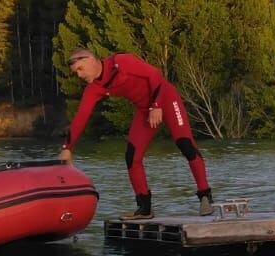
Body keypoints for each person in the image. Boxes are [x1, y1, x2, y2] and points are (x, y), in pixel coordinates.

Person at [58, 48, 214, 218]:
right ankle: (144, 207)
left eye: (80, 69)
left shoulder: (121, 62)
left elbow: (155, 75)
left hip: (166, 99)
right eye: (76, 73)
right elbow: (81, 117)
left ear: (90, 60)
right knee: (132, 156)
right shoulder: (94, 88)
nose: (79, 75)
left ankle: (205, 196)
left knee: (185, 144)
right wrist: (67, 147)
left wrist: (156, 106)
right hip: (144, 110)